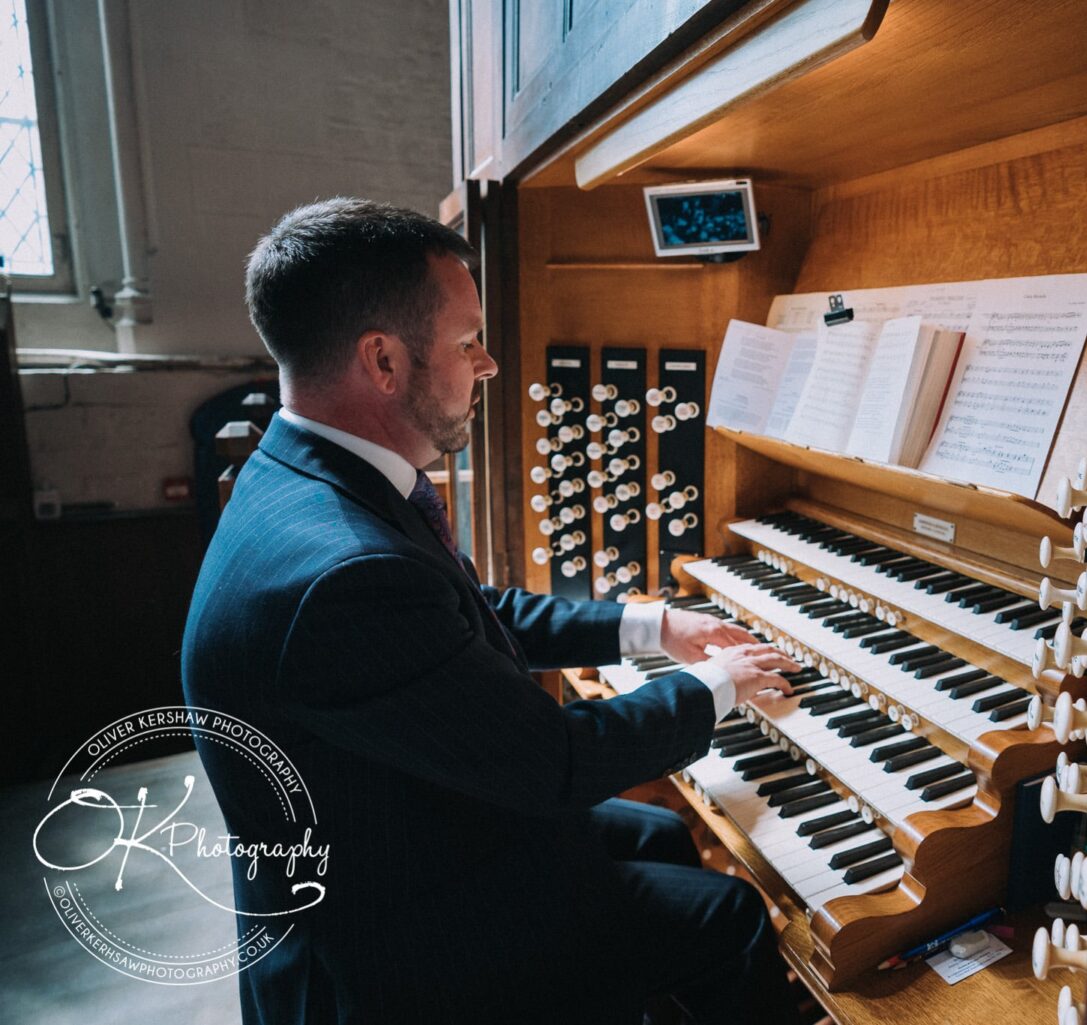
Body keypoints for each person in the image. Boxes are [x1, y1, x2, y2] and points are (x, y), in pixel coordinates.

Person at [182, 198, 801, 1024]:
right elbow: (556, 762)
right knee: (732, 917)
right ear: (382, 360)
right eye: (466, 340)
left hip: (393, 831)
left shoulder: (309, 476)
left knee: (654, 836)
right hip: (394, 947)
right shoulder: (346, 569)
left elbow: (465, 612)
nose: (489, 364)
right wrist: (718, 684)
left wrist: (651, 624)